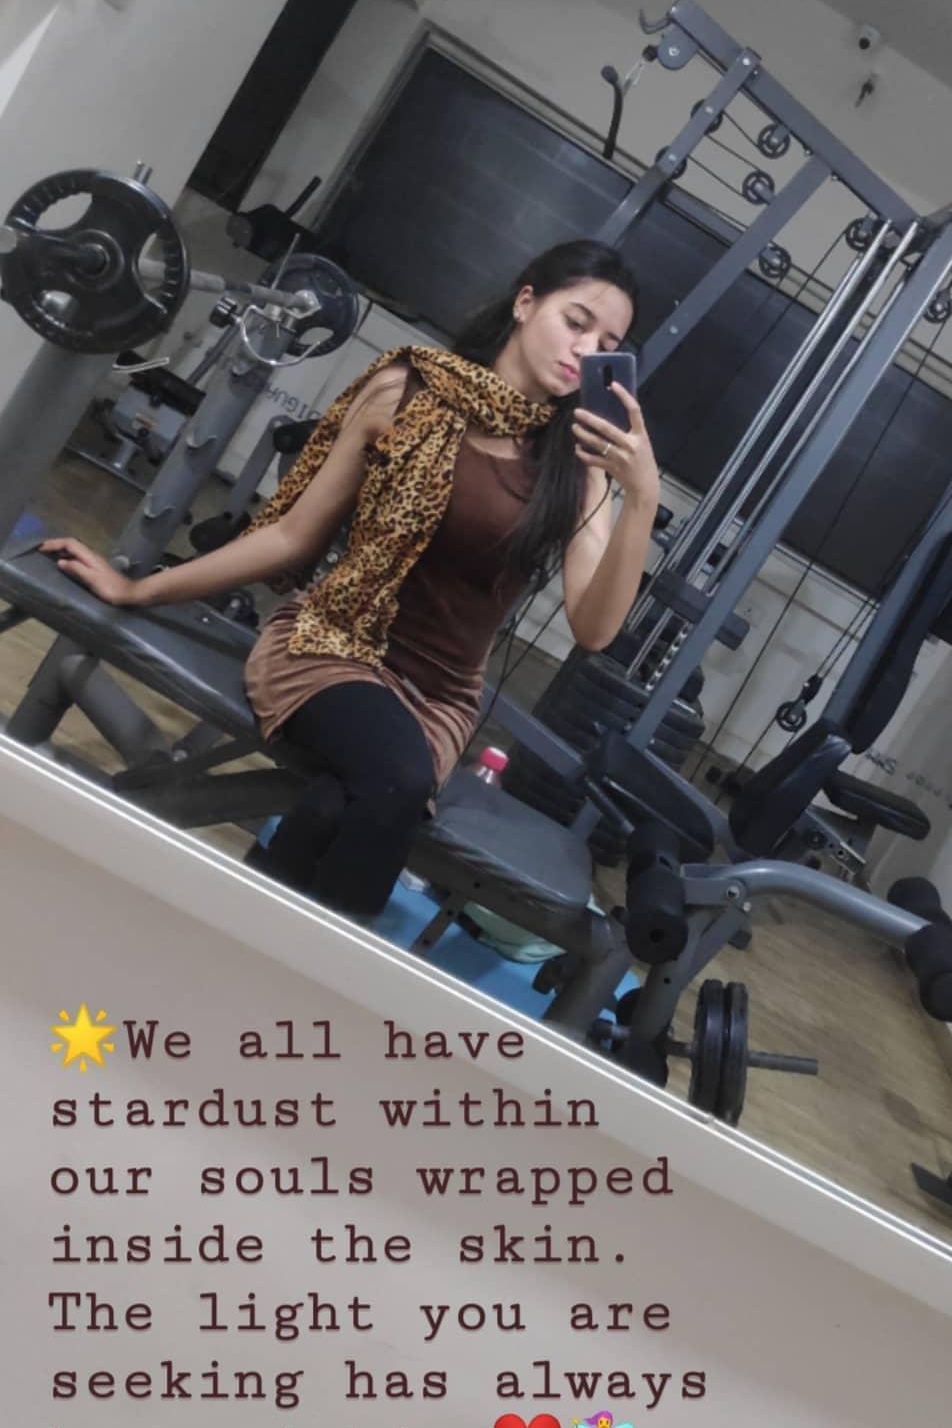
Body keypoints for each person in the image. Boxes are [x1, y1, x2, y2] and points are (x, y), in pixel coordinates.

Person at [40, 239, 661, 919]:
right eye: (576, 322)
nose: (585, 350)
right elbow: (292, 536)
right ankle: (304, 971)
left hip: (439, 702)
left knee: (336, 804)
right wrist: (142, 587)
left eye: (607, 344)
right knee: (394, 781)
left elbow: (593, 628)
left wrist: (642, 498)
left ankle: (232, 934)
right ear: (525, 302)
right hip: (329, 647)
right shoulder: (407, 389)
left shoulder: (579, 464)